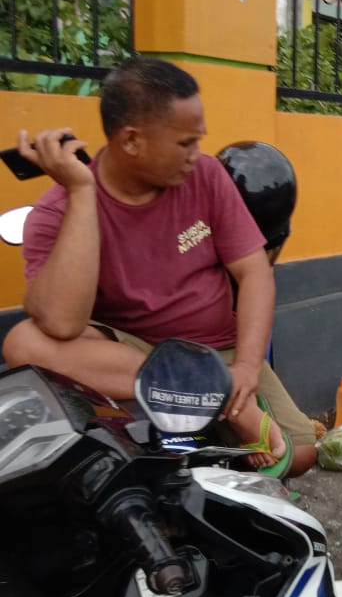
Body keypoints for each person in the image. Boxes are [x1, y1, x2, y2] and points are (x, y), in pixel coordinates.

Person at [1, 57, 316, 477]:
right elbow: (60, 323)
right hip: (133, 352)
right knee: (23, 342)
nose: (196, 155)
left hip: (216, 350)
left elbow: (254, 272)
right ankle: (212, 398)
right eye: (185, 143)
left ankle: (210, 406)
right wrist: (81, 192)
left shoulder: (205, 176)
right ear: (132, 140)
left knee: (298, 455)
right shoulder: (57, 210)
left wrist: (243, 367)